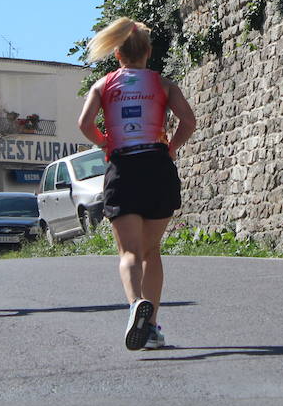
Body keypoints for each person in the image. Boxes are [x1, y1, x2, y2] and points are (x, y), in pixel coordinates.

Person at [77, 17, 197, 351]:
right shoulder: (164, 84)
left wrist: (104, 142)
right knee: (151, 250)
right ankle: (153, 326)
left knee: (129, 252)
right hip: (157, 166)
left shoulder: (103, 86)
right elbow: (189, 121)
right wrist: (171, 147)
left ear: (117, 55)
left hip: (124, 167)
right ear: (149, 52)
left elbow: (84, 123)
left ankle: (135, 306)